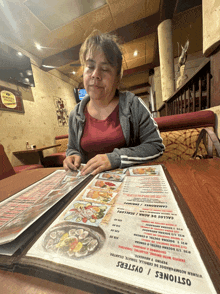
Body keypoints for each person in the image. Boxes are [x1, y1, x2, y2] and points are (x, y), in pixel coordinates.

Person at [63, 31, 165, 176]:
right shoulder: (76, 114)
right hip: (89, 187)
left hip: (130, 183)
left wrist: (115, 158)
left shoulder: (133, 105)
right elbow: (73, 148)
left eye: (104, 69)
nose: (95, 74)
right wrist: (72, 156)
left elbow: (156, 146)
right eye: (90, 66)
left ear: (117, 79)